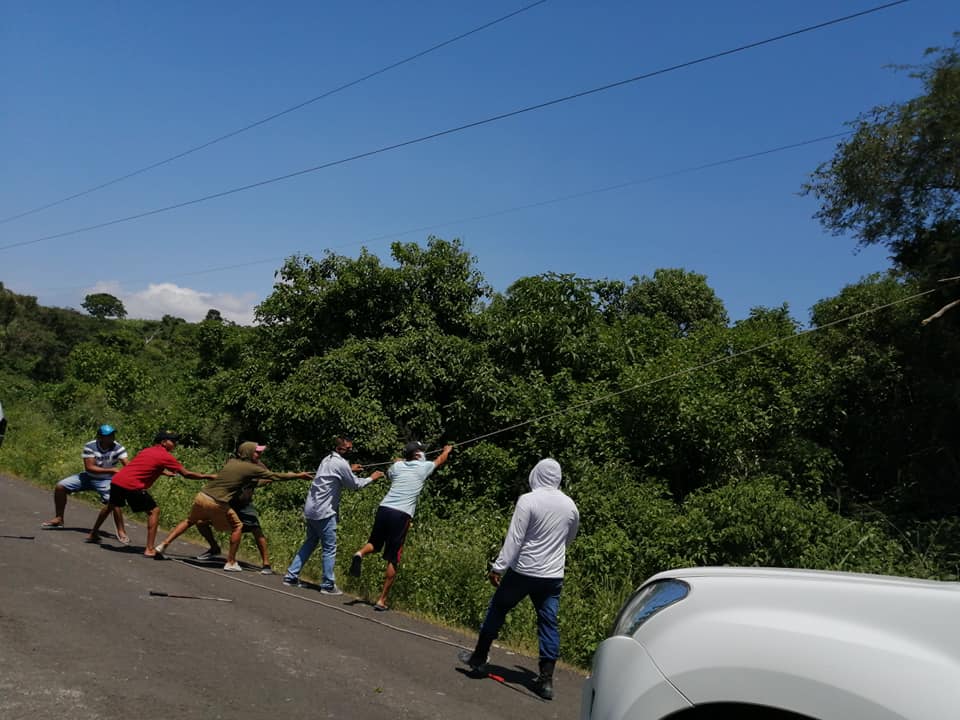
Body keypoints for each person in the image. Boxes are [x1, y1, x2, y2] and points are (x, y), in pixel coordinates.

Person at [457, 458, 579, 701]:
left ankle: (479, 658)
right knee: (548, 623)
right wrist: (552, 552)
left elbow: (515, 538)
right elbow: (570, 537)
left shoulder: (528, 500)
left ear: (537, 474)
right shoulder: (570, 505)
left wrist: (498, 567)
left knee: (498, 608)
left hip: (524, 570)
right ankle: (546, 680)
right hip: (552, 576)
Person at [154, 442, 312, 571]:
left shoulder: (232, 462)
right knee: (238, 526)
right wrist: (298, 475)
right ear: (249, 453)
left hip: (203, 495)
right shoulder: (252, 467)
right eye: (256, 452)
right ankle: (230, 562)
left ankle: (162, 545)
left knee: (190, 521)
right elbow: (275, 476)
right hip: (219, 501)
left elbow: (254, 478)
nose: (259, 454)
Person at [349, 440, 452, 610]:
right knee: (393, 557)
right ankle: (382, 600)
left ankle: (360, 553)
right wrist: (447, 450)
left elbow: (391, 473)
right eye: (421, 451)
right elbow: (440, 460)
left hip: (384, 508)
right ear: (417, 454)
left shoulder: (397, 467)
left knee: (374, 544)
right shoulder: (424, 467)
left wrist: (401, 461)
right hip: (401, 514)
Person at [85, 430, 216, 555]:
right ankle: (149, 549)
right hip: (132, 485)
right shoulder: (166, 456)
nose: (175, 443)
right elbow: (186, 474)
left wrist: (162, 472)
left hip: (118, 481)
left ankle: (93, 534)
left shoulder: (147, 450)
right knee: (154, 511)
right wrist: (208, 476)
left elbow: (144, 466)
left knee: (111, 506)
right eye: (173, 441)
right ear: (163, 442)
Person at [283, 436, 384, 594]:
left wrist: (349, 470)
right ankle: (328, 585)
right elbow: (355, 485)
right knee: (329, 548)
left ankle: (291, 576)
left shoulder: (327, 459)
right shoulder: (341, 463)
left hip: (311, 509)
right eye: (348, 448)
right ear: (339, 448)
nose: (350, 450)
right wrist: (372, 478)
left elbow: (334, 474)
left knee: (310, 542)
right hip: (324, 512)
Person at [42, 424, 129, 543]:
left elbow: (126, 463)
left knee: (114, 501)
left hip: (106, 480)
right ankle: (59, 518)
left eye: (112, 435)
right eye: (108, 436)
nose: (111, 438)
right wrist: (112, 470)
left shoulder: (117, 447)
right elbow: (89, 467)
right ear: (100, 437)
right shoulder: (90, 446)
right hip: (88, 477)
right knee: (60, 486)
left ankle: (121, 531)